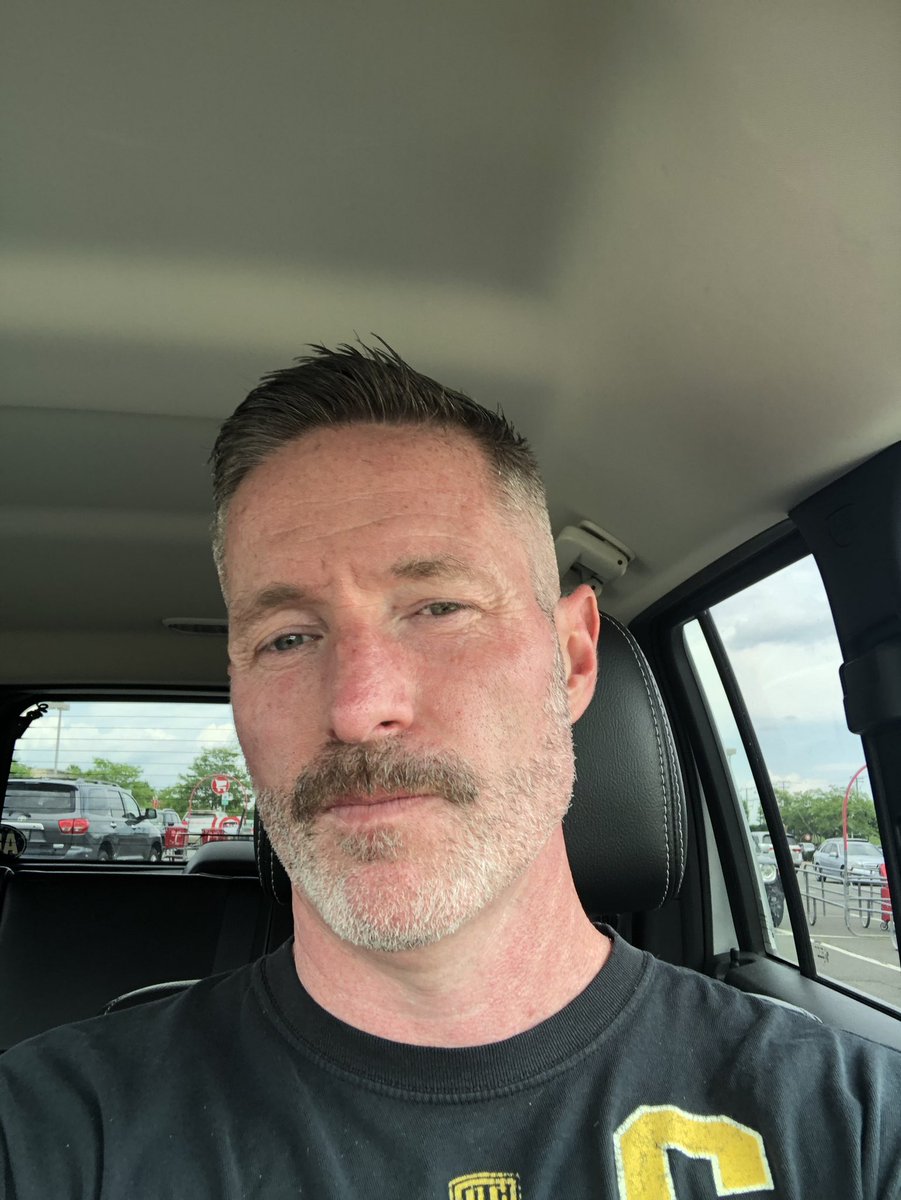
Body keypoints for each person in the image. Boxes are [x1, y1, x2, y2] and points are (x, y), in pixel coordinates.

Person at [1, 343, 900, 1198]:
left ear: (572, 659)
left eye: (438, 607)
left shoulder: (851, 1125)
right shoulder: (52, 1128)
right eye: (288, 638)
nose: (358, 707)